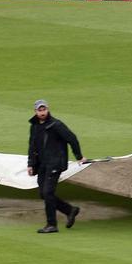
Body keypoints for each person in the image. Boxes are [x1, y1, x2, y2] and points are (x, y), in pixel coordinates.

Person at [27, 100, 87, 234]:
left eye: (44, 110)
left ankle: (51, 224)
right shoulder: (35, 126)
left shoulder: (56, 125)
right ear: (35, 111)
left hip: (55, 163)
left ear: (47, 109)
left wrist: (79, 156)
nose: (42, 112)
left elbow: (72, 138)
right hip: (42, 164)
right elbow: (32, 146)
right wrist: (30, 164)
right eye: (39, 110)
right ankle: (69, 210)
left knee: (48, 192)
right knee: (43, 194)